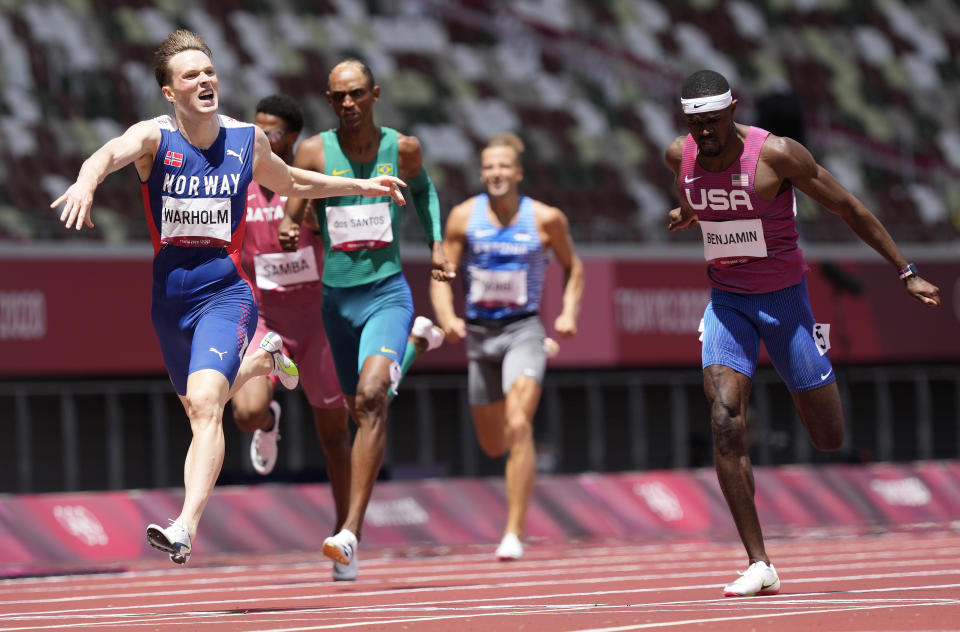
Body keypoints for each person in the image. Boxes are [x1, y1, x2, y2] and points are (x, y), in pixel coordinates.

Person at [50, 30, 408, 566]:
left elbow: (291, 183)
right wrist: (85, 181)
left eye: (209, 70)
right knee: (199, 405)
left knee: (206, 409)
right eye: (190, 75)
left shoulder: (245, 141)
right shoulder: (155, 137)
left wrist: (362, 186)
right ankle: (264, 360)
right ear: (170, 92)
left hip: (225, 294)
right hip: (169, 303)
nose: (205, 80)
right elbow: (108, 152)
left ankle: (184, 525)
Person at [664, 69, 941, 596]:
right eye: (694, 124)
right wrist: (689, 212)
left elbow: (849, 208)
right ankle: (758, 562)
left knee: (828, 437)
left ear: (733, 110)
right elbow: (702, 200)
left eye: (713, 122)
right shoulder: (678, 155)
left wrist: (906, 272)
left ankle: (810, 364)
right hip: (727, 303)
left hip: (786, 305)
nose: (704, 134)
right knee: (725, 418)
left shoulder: (778, 155)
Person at [235, 93, 445, 581]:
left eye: (273, 132)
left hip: (318, 323)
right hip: (268, 321)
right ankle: (270, 421)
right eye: (256, 129)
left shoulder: (312, 181)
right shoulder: (239, 186)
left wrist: (304, 218)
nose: (262, 138)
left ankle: (343, 538)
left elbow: (348, 224)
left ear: (292, 139)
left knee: (339, 431)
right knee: (243, 413)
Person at [429, 132, 584, 561]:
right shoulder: (463, 217)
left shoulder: (547, 218)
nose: (496, 173)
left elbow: (574, 268)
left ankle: (514, 532)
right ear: (483, 173)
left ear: (517, 172)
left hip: (524, 330)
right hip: (479, 335)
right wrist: (447, 317)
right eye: (489, 167)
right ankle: (513, 520)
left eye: (503, 167)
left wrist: (568, 312)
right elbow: (441, 275)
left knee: (519, 424)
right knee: (493, 443)